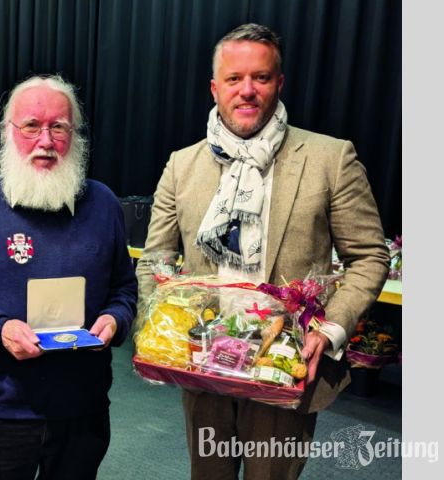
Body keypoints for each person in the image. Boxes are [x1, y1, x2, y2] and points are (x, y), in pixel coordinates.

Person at [135, 24, 390, 479]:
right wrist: (161, 332)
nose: (247, 90)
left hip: (285, 365)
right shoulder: (182, 165)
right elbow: (155, 260)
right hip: (203, 363)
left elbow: (369, 256)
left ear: (280, 82)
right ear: (215, 88)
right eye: (234, 79)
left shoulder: (331, 158)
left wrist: (330, 330)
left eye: (261, 77)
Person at [0, 74, 137, 480]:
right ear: (8, 132)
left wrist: (116, 319)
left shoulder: (103, 203)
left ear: (75, 135)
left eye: (59, 127)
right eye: (31, 126)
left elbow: (124, 287)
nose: (45, 140)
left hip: (83, 410)